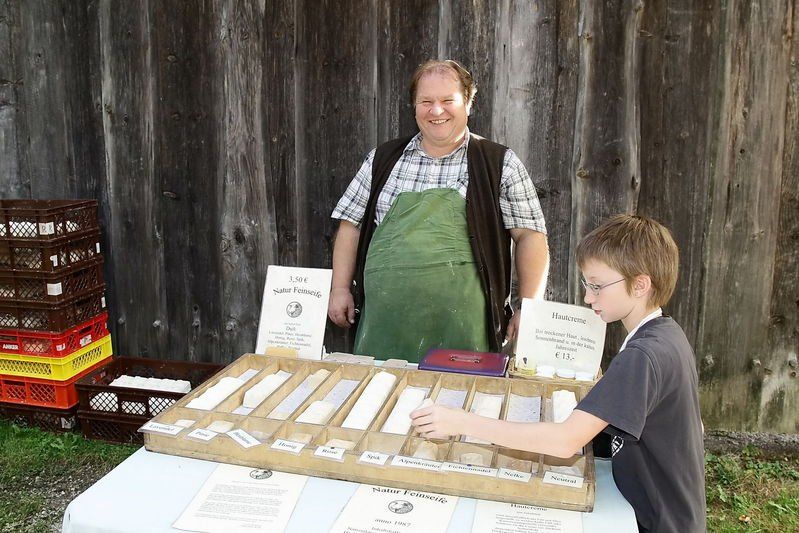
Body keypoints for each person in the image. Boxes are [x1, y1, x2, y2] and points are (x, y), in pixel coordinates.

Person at [411, 214, 706, 533]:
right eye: (587, 284)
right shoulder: (666, 334)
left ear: (640, 285)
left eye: (597, 286)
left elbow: (565, 442)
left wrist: (461, 422)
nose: (588, 297)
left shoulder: (643, 356)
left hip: (658, 523)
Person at [328, 59, 549, 362]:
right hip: (385, 325)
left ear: (468, 103)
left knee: (460, 393)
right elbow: (350, 226)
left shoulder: (499, 164)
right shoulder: (382, 160)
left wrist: (530, 307)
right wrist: (340, 288)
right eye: (426, 102)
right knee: (381, 391)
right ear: (414, 107)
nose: (436, 111)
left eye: (448, 101)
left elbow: (530, 237)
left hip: (466, 331)